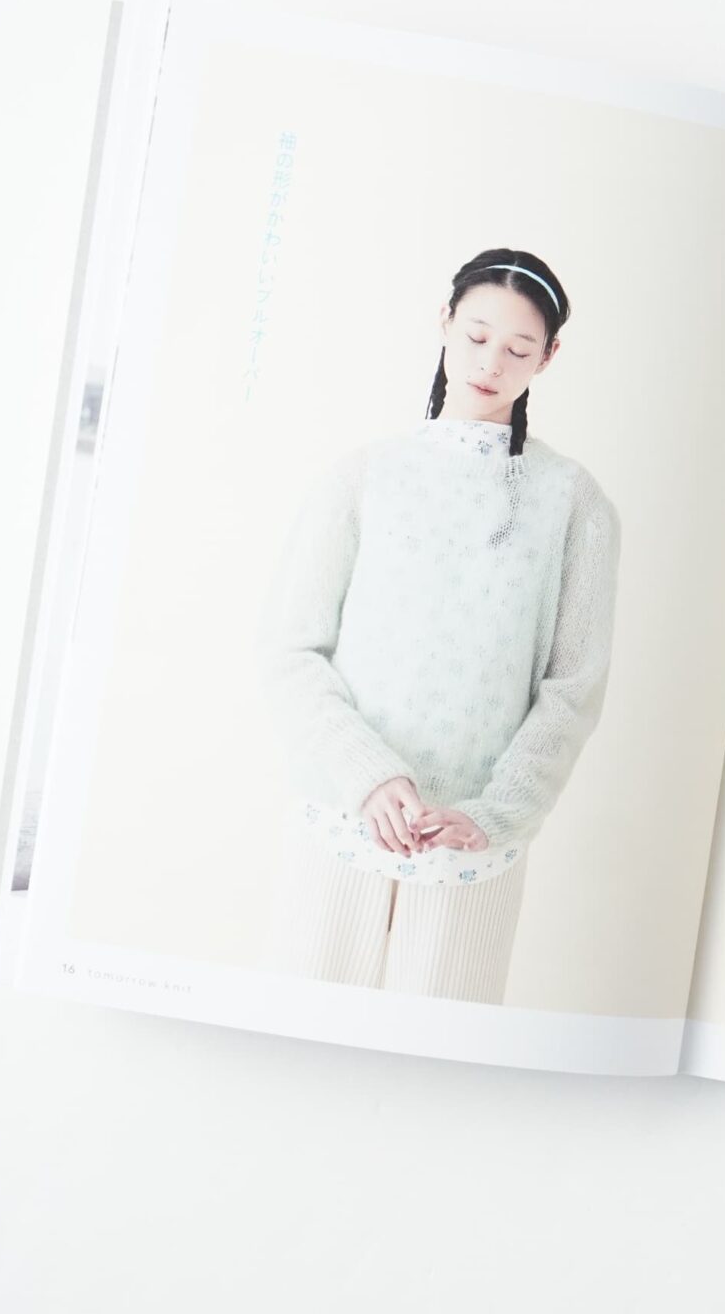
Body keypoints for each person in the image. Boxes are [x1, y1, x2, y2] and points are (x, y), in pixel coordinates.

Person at [255, 249, 623, 1004]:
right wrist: (369, 773)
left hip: (475, 848)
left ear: (548, 357)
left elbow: (573, 688)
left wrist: (498, 814)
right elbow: (292, 651)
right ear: (446, 322)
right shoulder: (364, 475)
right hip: (338, 820)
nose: (491, 363)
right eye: (477, 336)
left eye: (519, 348)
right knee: (299, 1037)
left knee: (436, 1054)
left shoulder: (573, 502)